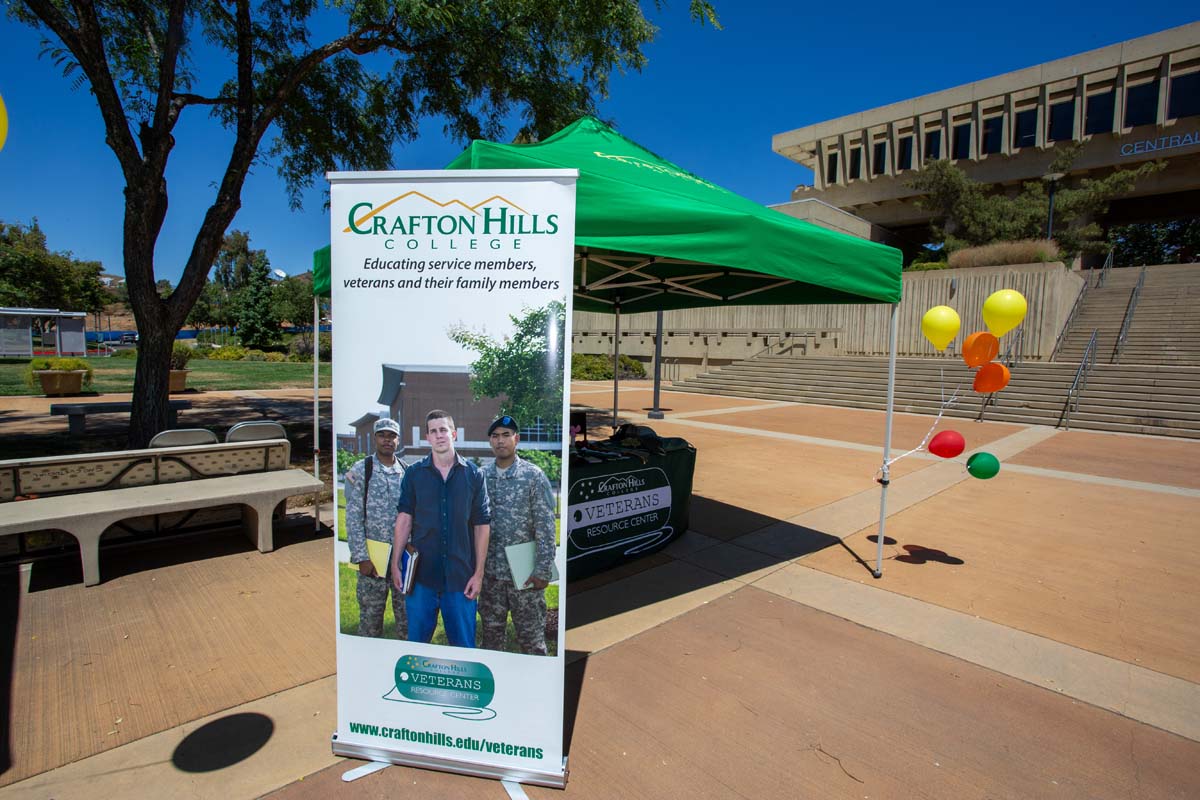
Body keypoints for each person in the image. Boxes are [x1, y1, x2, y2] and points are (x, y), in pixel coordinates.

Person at [391, 410, 490, 647]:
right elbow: (404, 519)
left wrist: (478, 574)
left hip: (460, 579)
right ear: (427, 437)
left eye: (443, 429)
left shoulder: (474, 475)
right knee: (416, 646)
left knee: (465, 647)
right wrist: (396, 564)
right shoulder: (414, 475)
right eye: (433, 431)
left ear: (454, 434)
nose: (439, 435)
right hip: (422, 578)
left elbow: (481, 526)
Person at [479, 415, 557, 656]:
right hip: (491, 576)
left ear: (517, 439)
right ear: (490, 441)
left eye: (506, 435)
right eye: (495, 436)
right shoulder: (481, 476)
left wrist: (543, 571)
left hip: (525, 576)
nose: (500, 441)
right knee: (491, 641)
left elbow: (546, 526)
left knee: (531, 641)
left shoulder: (533, 476)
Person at [343, 418, 407, 638]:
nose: (387, 440)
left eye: (392, 436)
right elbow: (353, 518)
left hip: (402, 561)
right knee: (370, 623)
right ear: (374, 438)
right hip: (373, 560)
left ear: (398, 440)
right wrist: (361, 557)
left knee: (407, 623)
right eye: (382, 435)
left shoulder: (407, 472)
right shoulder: (362, 470)